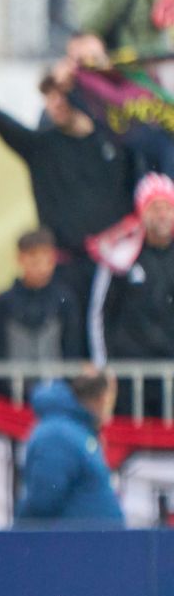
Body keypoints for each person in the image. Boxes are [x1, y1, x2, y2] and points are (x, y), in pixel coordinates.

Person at [0, 77, 138, 327]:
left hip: (111, 264)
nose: (54, 104)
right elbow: (13, 132)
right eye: (49, 98)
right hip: (65, 266)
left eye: (61, 96)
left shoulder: (115, 144)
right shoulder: (44, 145)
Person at [101, 175, 174, 417]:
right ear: (142, 211)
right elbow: (100, 314)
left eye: (167, 207)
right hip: (132, 377)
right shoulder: (121, 256)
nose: (162, 214)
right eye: (155, 207)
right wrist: (105, 364)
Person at [0, 228, 85, 403]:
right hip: (12, 400)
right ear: (20, 259)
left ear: (53, 259)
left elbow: (72, 350)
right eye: (33, 257)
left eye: (45, 257)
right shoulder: (3, 302)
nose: (40, 264)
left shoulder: (65, 300)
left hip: (57, 396)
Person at [16, 372, 124, 527]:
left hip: (85, 543)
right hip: (75, 545)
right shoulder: (57, 434)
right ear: (102, 398)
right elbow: (43, 499)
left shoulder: (74, 430)